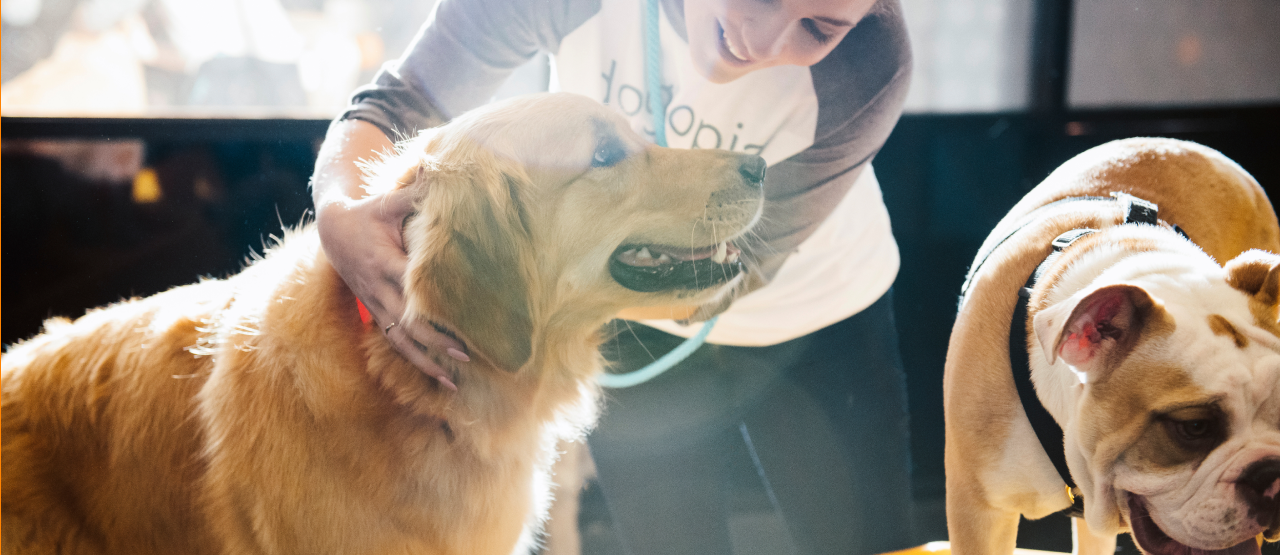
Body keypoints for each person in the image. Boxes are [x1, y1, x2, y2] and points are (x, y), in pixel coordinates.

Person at [310, 0, 915, 552]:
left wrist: (517, 285)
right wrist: (338, 218)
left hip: (817, 318)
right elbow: (395, 104)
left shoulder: (874, 57)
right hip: (619, 318)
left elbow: (732, 268)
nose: (762, 41)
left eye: (818, 29)